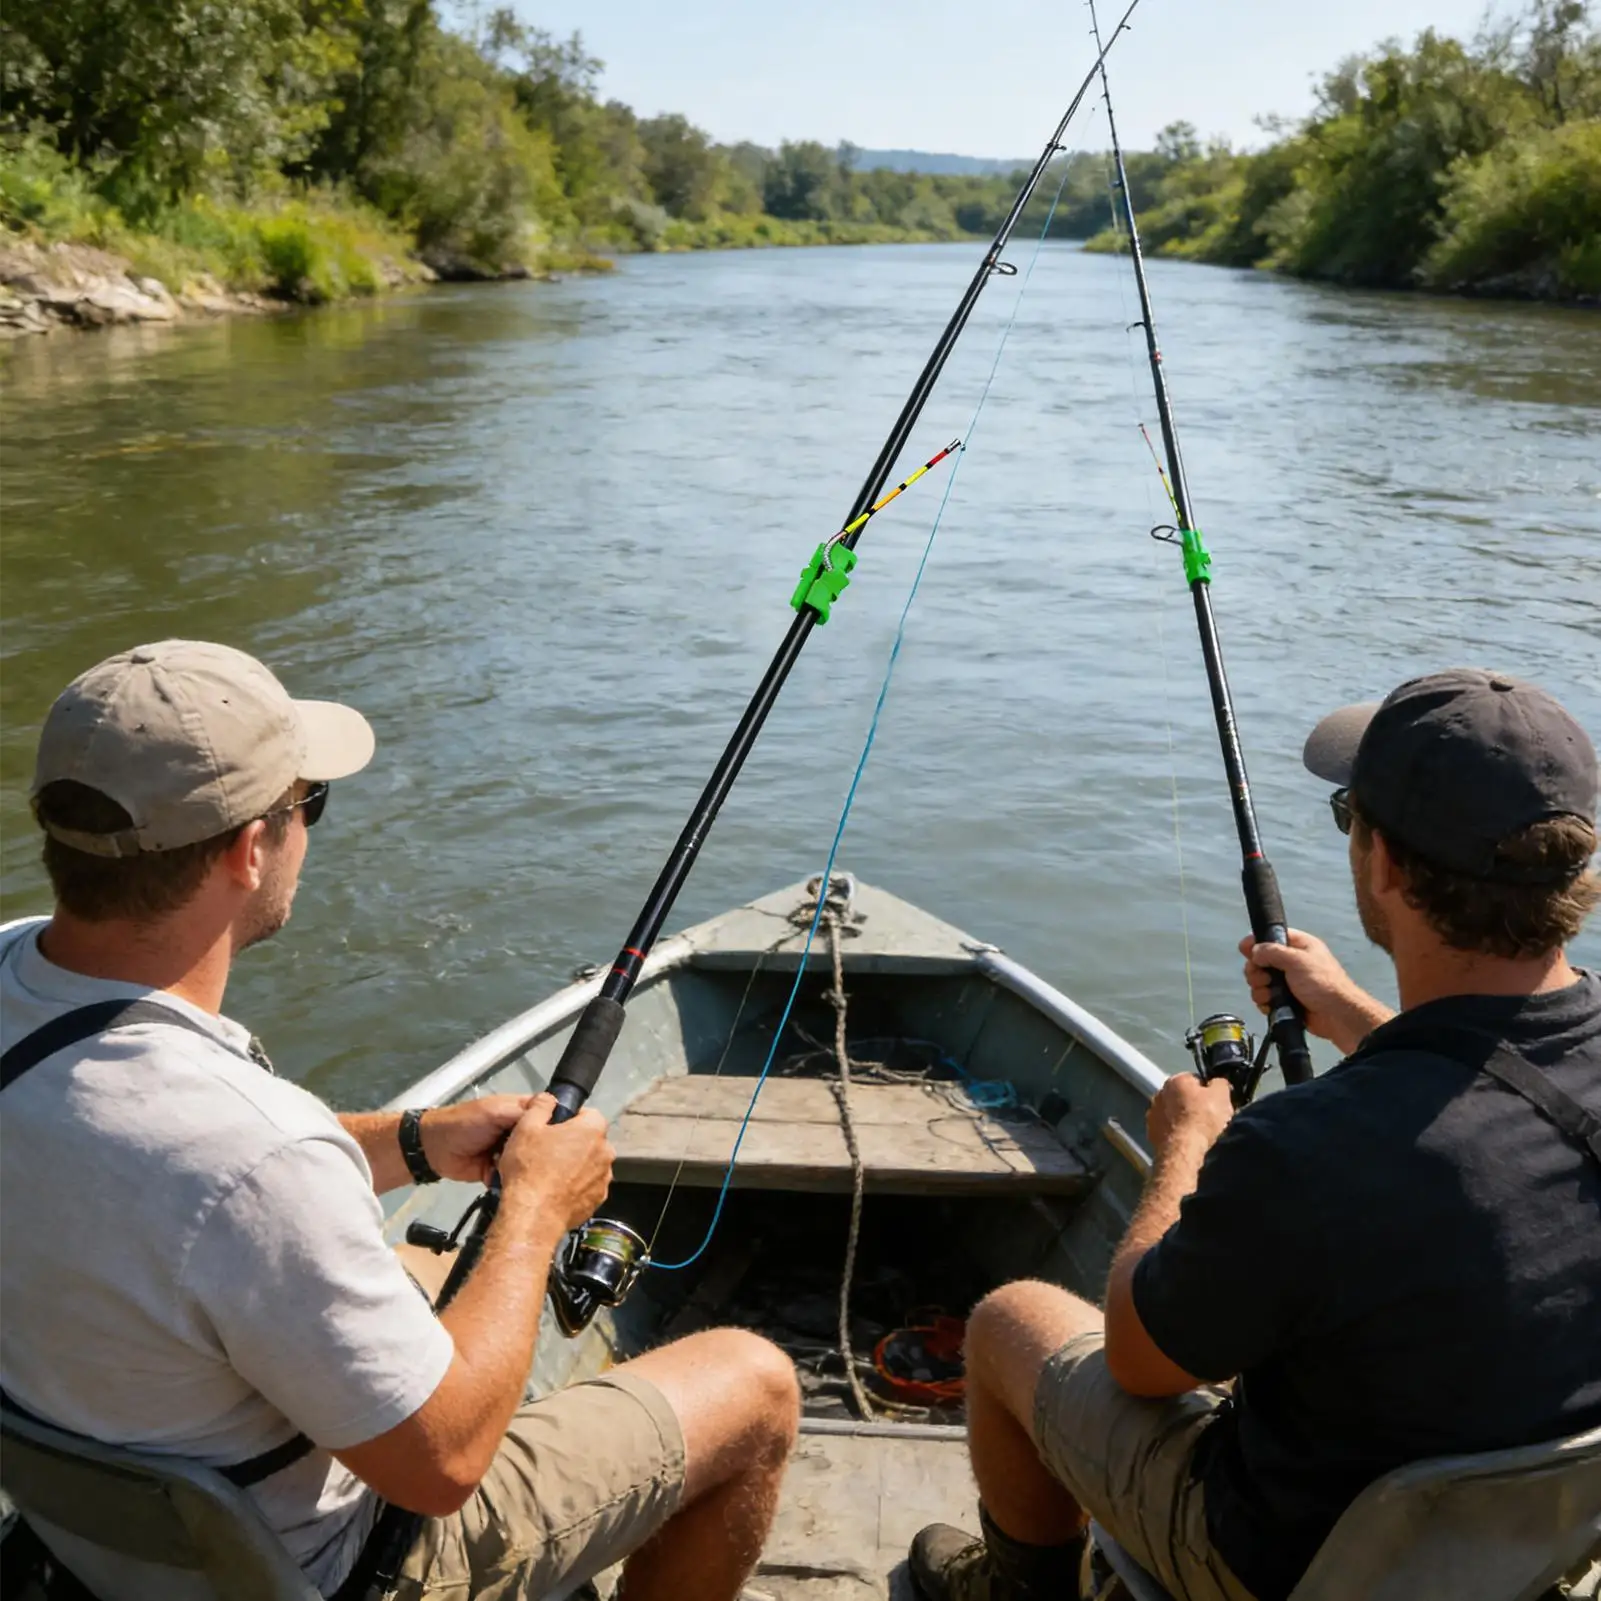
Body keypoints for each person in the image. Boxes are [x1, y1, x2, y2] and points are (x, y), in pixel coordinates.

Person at [0, 640, 800, 1601]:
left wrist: (414, 1139)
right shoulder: (254, 1152)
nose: (306, 831)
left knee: (421, 1268)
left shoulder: (23, 977)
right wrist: (536, 1208)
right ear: (249, 850)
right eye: (306, 804)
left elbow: (159, 1170)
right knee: (754, 1387)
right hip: (322, 1569)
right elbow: (443, 1464)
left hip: (95, 1531)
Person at [908, 667, 1601, 1601]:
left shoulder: (1304, 1148)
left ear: (1385, 863)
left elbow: (1138, 1357)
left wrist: (1187, 1143)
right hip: (1526, 1552)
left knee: (1008, 1322)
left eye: (1348, 813)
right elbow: (1499, 1090)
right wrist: (1353, 1012)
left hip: (1283, 1564)